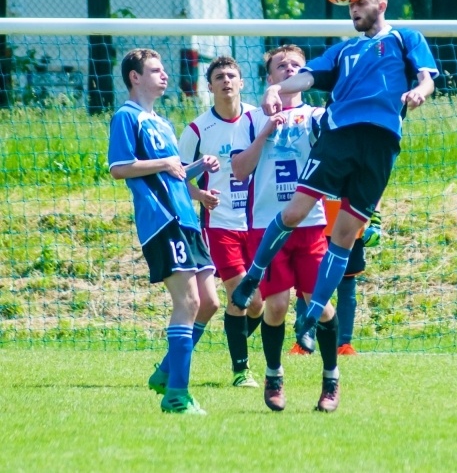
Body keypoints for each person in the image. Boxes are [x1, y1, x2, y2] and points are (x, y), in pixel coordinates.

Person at [231, 0, 439, 413]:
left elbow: (425, 76)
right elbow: (306, 77)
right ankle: (254, 274)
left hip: (382, 144)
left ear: (380, 3)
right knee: (295, 211)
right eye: (349, 7)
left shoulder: (404, 37)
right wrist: (275, 89)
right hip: (341, 137)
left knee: (345, 235)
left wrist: (420, 90)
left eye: (359, 3)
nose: (353, 11)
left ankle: (311, 319)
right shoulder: (344, 51)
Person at [108, 48, 220, 415]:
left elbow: (171, 173)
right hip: (162, 221)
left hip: (187, 218)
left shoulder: (163, 122)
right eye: (155, 70)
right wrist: (166, 162)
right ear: (134, 77)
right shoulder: (127, 117)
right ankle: (176, 396)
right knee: (187, 303)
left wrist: (198, 174)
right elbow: (120, 167)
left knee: (209, 303)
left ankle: (165, 373)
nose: (164, 75)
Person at [230, 44, 331, 412]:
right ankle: (274, 376)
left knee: (320, 308)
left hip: (311, 223)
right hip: (265, 226)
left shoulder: (319, 116)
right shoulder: (253, 118)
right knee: (275, 307)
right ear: (270, 78)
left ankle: (330, 381)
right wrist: (266, 134)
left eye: (296, 65)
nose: (289, 69)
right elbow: (239, 170)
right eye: (280, 66)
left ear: (306, 76)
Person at [177, 56, 262, 388]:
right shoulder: (197, 129)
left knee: (257, 304)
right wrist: (201, 197)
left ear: (241, 83)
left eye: (232, 76)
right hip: (220, 224)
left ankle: (233, 338)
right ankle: (241, 370)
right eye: (219, 77)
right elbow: (177, 179)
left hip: (258, 222)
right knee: (241, 296)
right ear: (209, 87)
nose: (226, 81)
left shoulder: (259, 119)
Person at [291, 201, 382, 356]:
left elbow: (373, 184)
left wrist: (376, 221)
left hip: (351, 227)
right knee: (308, 285)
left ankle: (343, 344)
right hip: (316, 227)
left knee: (347, 284)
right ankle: (303, 343)